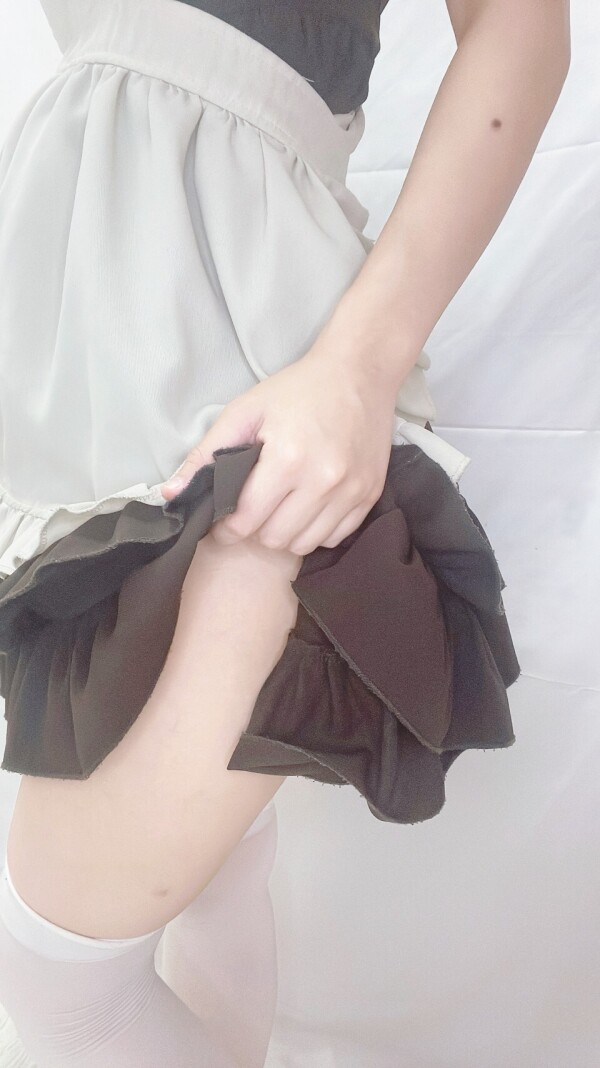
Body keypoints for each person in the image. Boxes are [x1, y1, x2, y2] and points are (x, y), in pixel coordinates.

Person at [0, 0, 569, 1064]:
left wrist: (360, 366)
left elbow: (520, 25)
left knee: (65, 985)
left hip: (246, 353)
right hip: (77, 372)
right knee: (215, 884)